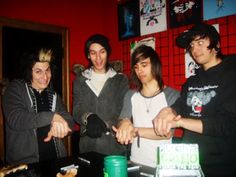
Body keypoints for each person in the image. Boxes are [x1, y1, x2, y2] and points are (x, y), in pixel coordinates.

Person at [153, 23, 236, 177]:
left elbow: (228, 124)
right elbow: (181, 106)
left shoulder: (231, 74)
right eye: (192, 45)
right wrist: (169, 111)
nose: (194, 50)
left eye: (200, 43)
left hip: (222, 167)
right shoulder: (192, 81)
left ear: (216, 44)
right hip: (188, 164)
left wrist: (179, 122)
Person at [2, 48, 73, 165]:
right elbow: (16, 119)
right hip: (25, 166)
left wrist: (63, 127)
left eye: (47, 70)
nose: (45, 77)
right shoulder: (15, 88)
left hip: (57, 161)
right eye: (38, 71)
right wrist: (52, 117)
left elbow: (69, 121)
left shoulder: (54, 95)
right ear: (29, 72)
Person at [112, 45, 179, 168]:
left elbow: (168, 133)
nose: (139, 71)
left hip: (164, 165)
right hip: (136, 161)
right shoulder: (130, 94)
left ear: (155, 65)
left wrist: (134, 131)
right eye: (136, 67)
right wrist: (124, 125)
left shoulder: (172, 95)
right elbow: (122, 119)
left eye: (144, 65)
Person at [72, 34, 129, 155]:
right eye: (93, 53)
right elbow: (76, 112)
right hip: (88, 147)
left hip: (114, 145)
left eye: (102, 52)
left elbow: (124, 110)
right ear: (88, 55)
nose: (98, 57)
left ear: (107, 52)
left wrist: (105, 125)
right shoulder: (80, 80)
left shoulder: (120, 79)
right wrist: (88, 116)